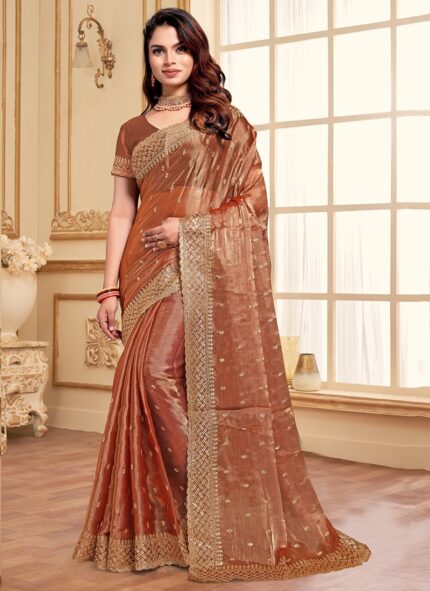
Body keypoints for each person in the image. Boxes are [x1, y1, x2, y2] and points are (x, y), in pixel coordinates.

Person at [72, 7, 371, 583]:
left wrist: (188, 230)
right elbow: (121, 212)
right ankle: (182, 523)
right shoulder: (132, 131)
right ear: (148, 60)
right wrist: (108, 287)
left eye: (180, 48)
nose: (170, 60)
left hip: (200, 263)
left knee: (158, 374)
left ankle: (227, 501)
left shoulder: (223, 122)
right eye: (158, 50)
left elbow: (253, 203)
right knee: (147, 381)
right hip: (142, 271)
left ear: (197, 54)